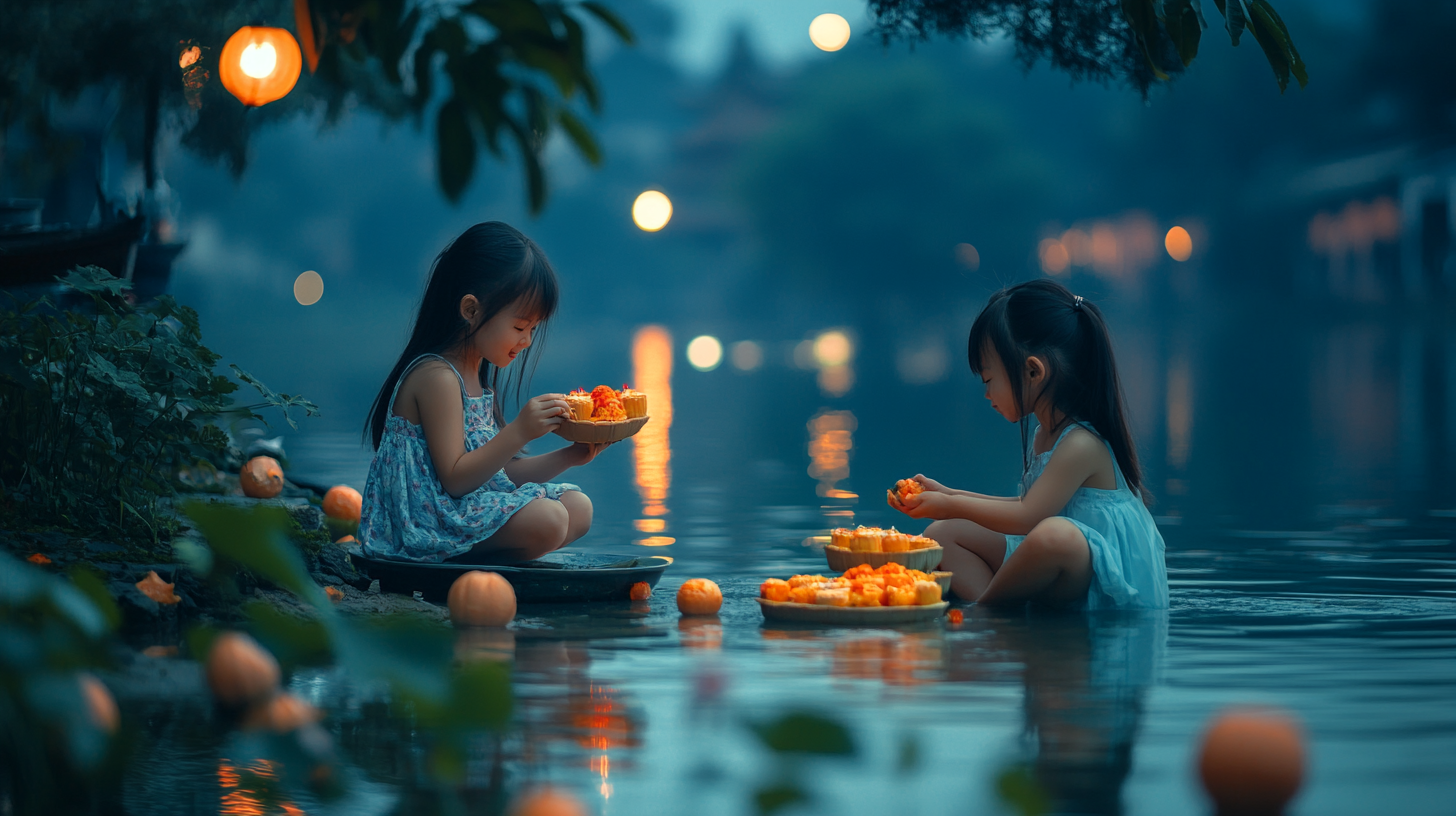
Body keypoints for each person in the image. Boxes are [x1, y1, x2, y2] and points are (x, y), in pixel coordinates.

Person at [890, 279, 1168, 608]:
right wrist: (946, 496)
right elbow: (1027, 505)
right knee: (941, 535)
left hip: (1099, 579)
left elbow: (1028, 516)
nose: (987, 394)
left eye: (990, 380)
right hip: (1056, 566)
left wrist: (951, 504)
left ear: (1033, 371)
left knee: (1057, 536)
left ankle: (984, 615)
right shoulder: (1044, 434)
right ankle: (1003, 614)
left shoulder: (1081, 443)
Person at [359, 222, 607, 564]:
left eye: (533, 329)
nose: (527, 341)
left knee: (578, 509)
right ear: (471, 310)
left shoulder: (477, 378)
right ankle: (458, 562)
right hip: (426, 523)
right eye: (520, 327)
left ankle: (488, 557)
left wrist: (572, 455)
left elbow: (493, 477)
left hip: (462, 507)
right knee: (549, 519)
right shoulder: (437, 377)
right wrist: (519, 431)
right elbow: (457, 480)